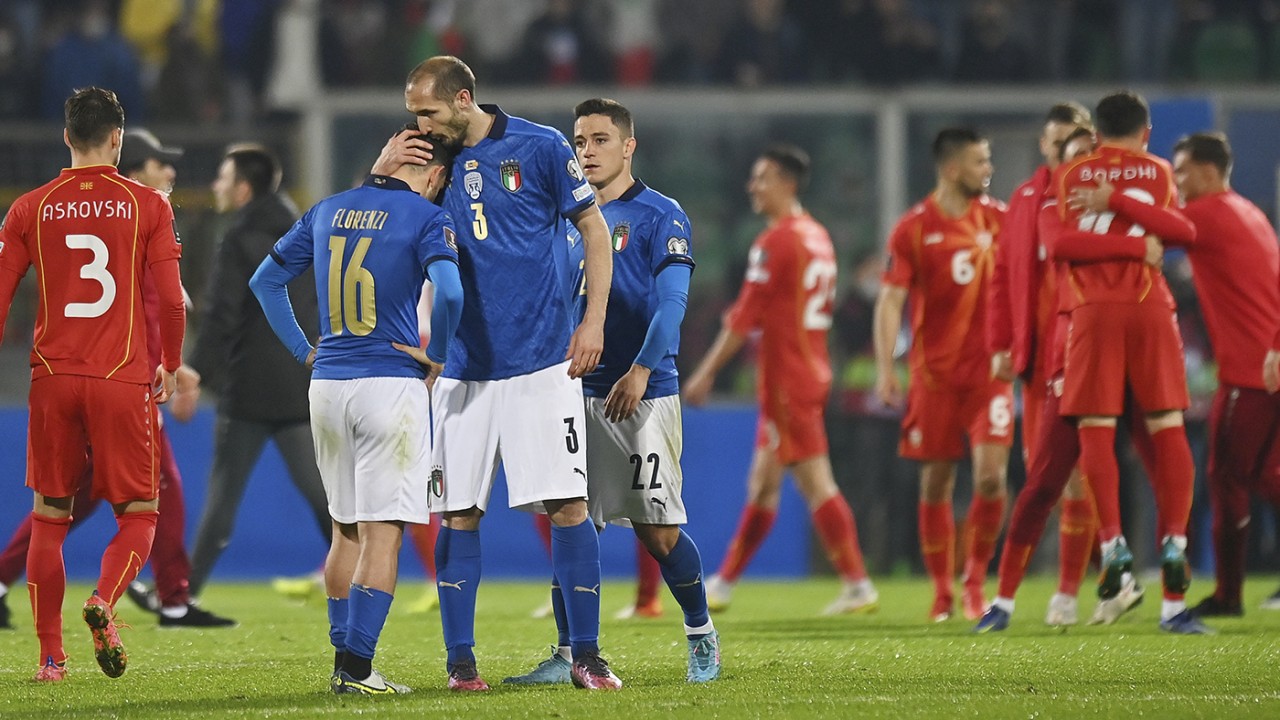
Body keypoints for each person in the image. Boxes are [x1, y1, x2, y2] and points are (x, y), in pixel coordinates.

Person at [385, 55, 619, 691]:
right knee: (458, 512)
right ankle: (461, 665)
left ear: (463, 99)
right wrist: (392, 178)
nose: (420, 124)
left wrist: (593, 322)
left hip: (542, 363)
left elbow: (594, 230)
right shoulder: (426, 159)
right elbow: (378, 238)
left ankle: (586, 656)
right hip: (462, 370)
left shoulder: (540, 147)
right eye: (413, 114)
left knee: (567, 506)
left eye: (428, 111)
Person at [503, 98, 720, 686]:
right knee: (571, 521)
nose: (587, 151)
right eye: (579, 141)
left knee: (657, 531)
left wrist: (642, 369)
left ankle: (700, 632)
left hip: (640, 395)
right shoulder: (567, 220)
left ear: (629, 146)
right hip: (571, 391)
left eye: (600, 140)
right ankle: (568, 653)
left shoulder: (659, 215)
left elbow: (672, 304)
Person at [250, 131, 463, 695]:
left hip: (327, 386)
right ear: (435, 175)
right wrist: (439, 354)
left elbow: (265, 281)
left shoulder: (327, 209)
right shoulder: (426, 217)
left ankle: (343, 664)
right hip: (388, 385)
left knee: (344, 532)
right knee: (382, 535)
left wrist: (304, 350)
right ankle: (359, 668)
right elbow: (451, 293)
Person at [0, 129, 233, 630]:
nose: (169, 171)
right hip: (126, 380)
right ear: (123, 153)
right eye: (159, 163)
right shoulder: (142, 215)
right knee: (152, 494)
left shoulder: (42, 208)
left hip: (63, 376)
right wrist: (171, 366)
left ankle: (44, 642)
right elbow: (155, 310)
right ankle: (168, 598)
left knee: (59, 507)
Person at [0, 87, 184, 681]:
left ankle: (50, 659)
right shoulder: (148, 205)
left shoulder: (29, 208)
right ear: (118, 138)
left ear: (66, 137)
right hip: (120, 377)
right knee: (140, 512)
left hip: (52, 378)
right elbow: (172, 301)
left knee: (48, 520)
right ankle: (103, 600)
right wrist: (171, 362)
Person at [974, 126, 1165, 633]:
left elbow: (1171, 232)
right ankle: (1006, 601)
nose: (1081, 165)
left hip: (1123, 353)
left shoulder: (1119, 207)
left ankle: (1143, 588)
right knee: (1045, 481)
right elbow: (1058, 246)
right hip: (1068, 354)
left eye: (1088, 156)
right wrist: (1137, 247)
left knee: (1157, 468)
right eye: (1072, 155)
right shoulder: (1046, 206)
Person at [685, 144, 879, 617]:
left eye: (762, 178)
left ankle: (857, 584)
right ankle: (724, 583)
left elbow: (743, 318)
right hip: (809, 368)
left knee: (817, 483)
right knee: (763, 484)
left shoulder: (776, 242)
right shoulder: (819, 236)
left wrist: (705, 372)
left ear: (788, 183)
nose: (753, 187)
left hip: (788, 378)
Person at [1047, 90, 1208, 634]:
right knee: (1167, 426)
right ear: (1146, 132)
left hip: (1094, 312)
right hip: (1150, 308)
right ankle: (1175, 551)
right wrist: (1136, 239)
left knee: (1096, 429)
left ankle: (1113, 541)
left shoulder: (1073, 175)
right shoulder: (1159, 171)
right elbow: (1184, 234)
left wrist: (1108, 203)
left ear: (1095, 134)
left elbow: (1063, 246)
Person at [873, 127, 1012, 622]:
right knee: (936, 484)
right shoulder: (913, 228)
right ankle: (941, 591)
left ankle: (974, 581)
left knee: (992, 479)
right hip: (934, 378)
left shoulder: (1001, 219)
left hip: (990, 375)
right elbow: (890, 300)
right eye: (980, 161)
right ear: (952, 169)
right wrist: (886, 367)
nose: (988, 170)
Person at [186, 144, 331, 597]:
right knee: (323, 496)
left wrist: (195, 371)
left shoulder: (239, 237)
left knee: (222, 499)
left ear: (244, 189)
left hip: (247, 389)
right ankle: (364, 577)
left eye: (223, 178)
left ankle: (182, 592)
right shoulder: (306, 231)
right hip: (299, 382)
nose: (217, 186)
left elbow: (222, 314)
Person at [985, 103, 1098, 626]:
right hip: (1034, 360)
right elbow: (1002, 273)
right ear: (1044, 144)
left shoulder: (1091, 200)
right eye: (1055, 142)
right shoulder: (1026, 199)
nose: (1061, 151)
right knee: (1044, 475)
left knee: (1074, 476)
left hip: (1084, 350)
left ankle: (1068, 592)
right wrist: (1001, 343)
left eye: (1071, 143)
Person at [1169, 133, 1280, 618]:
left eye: (1181, 170)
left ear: (1208, 171)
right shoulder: (1248, 211)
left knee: (1226, 476)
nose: (1176, 181)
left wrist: (1112, 198)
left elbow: (1156, 229)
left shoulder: (1208, 213)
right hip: (1267, 359)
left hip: (1250, 372)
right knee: (1267, 476)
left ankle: (1229, 595)